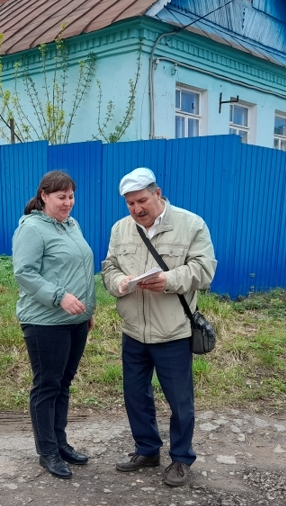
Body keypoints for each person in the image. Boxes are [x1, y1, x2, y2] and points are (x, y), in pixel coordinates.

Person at [101, 167, 216, 487]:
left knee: (180, 400)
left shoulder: (191, 225)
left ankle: (181, 458)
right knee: (135, 395)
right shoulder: (120, 229)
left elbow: (204, 271)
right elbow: (108, 267)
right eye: (129, 204)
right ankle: (147, 449)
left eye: (142, 201)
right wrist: (118, 282)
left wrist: (168, 280)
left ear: (158, 194)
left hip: (173, 331)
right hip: (133, 329)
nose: (137, 209)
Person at [12, 170, 96, 480]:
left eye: (71, 196)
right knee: (47, 385)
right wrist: (59, 297)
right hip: (45, 321)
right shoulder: (32, 229)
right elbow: (25, 273)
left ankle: (60, 444)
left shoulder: (72, 225)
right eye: (61, 197)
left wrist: (87, 310)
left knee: (63, 383)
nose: (68, 202)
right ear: (44, 196)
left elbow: (81, 268)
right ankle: (46, 451)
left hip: (75, 320)